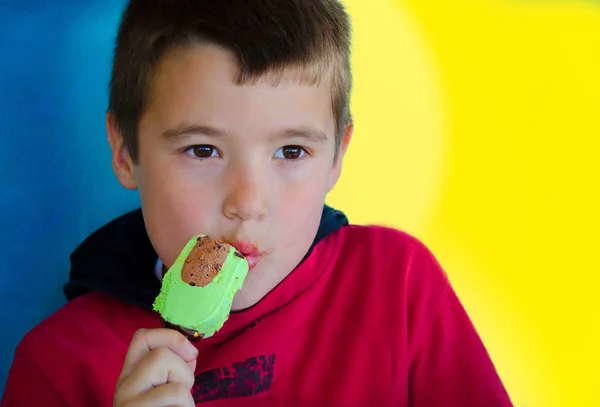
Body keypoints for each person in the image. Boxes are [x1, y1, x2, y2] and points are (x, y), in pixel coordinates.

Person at [1, 0, 514, 406]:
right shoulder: (57, 365)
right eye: (202, 150)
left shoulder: (396, 286)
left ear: (338, 154)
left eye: (292, 151)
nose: (248, 203)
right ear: (124, 151)